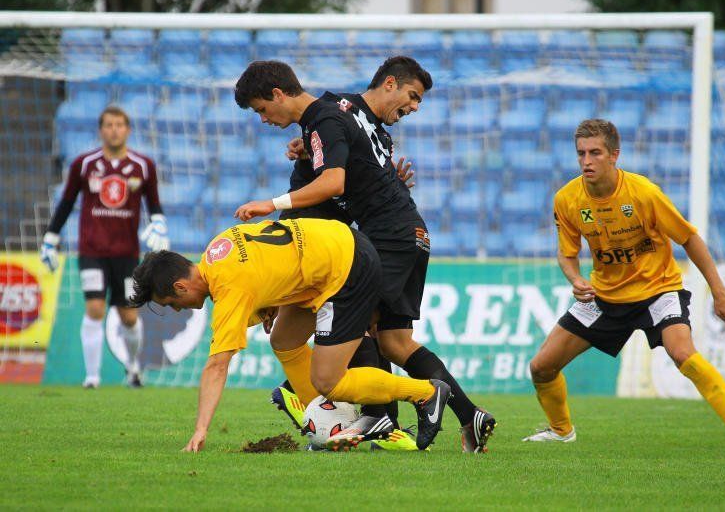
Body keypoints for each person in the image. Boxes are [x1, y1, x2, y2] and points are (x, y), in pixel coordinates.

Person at [233, 59, 495, 453]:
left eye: (261, 110)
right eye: (413, 97)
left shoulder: (331, 115)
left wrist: (272, 202)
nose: (414, 107)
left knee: (353, 316)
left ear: (277, 94)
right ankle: (469, 415)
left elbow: (334, 182)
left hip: (389, 234)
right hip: (408, 233)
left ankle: (375, 415)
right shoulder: (348, 119)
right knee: (394, 342)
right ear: (389, 83)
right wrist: (313, 152)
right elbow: (348, 170)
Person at [522, 119, 725, 451]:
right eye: (581, 153)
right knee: (541, 367)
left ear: (614, 155)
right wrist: (575, 279)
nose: (586, 161)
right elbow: (566, 253)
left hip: (658, 290)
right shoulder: (567, 199)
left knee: (683, 353)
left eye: (595, 153)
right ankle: (560, 430)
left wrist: (719, 292)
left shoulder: (644, 193)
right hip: (605, 296)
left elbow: (689, 239)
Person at [128, 217, 451, 452]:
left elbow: (217, 366)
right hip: (335, 247)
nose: (177, 310)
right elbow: (268, 264)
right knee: (284, 340)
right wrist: (271, 302)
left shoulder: (228, 288)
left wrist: (200, 430)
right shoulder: (216, 250)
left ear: (180, 287)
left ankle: (425, 393)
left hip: (346, 267)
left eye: (171, 303)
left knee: (328, 380)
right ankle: (329, 423)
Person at [39, 106, 169, 388]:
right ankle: (92, 377)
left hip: (127, 254)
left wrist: (159, 223)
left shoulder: (143, 165)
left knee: (129, 316)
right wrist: (50, 238)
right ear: (100, 130)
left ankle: (133, 367)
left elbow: (154, 203)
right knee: (95, 308)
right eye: (109, 125)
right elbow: (66, 202)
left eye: (119, 125)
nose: (114, 130)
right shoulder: (84, 164)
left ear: (128, 130)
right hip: (92, 251)